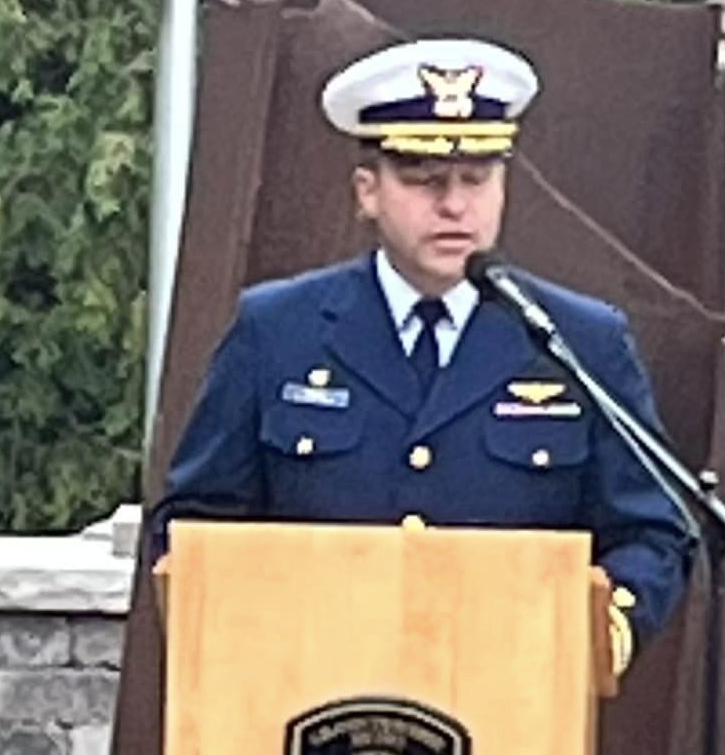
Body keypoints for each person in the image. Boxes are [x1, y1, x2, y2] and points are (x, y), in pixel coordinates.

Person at [146, 36, 694, 670]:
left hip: (513, 701)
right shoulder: (276, 331)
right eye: (424, 179)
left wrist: (601, 631)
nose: (454, 205)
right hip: (310, 695)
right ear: (367, 191)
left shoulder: (579, 342)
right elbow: (196, 524)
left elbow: (650, 531)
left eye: (476, 178)